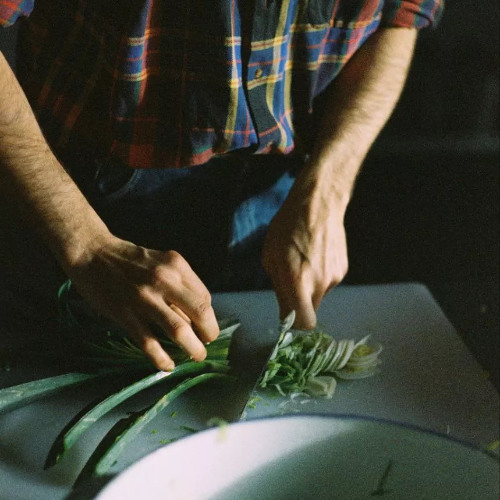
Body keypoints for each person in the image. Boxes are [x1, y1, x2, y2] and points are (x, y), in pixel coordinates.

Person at [0, 1, 443, 371]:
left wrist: (328, 188)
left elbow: (399, 15)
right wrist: (86, 246)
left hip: (285, 190)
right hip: (79, 195)